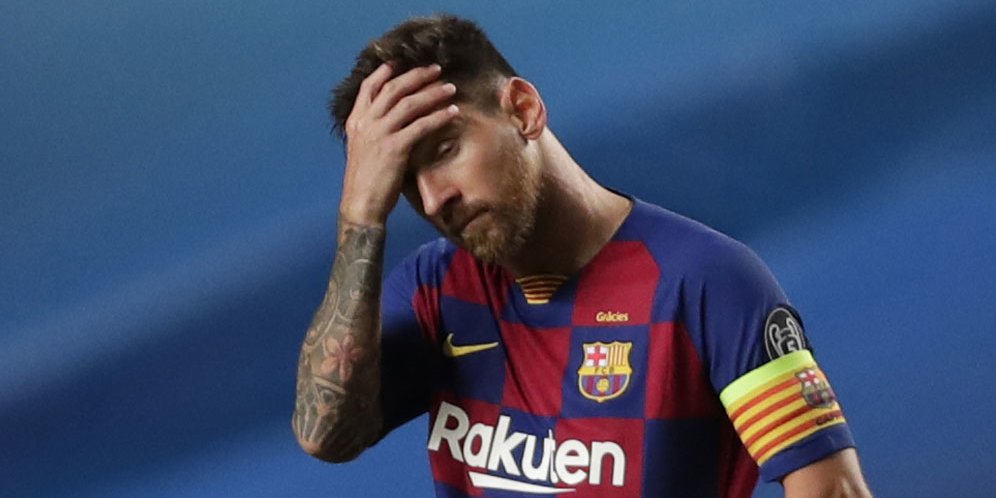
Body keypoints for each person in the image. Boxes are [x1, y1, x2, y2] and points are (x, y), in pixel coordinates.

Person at [292, 14, 872, 498]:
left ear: (523, 109)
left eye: (445, 150)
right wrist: (360, 216)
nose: (434, 200)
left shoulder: (705, 282)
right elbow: (326, 434)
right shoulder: (433, 290)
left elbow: (832, 490)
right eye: (404, 185)